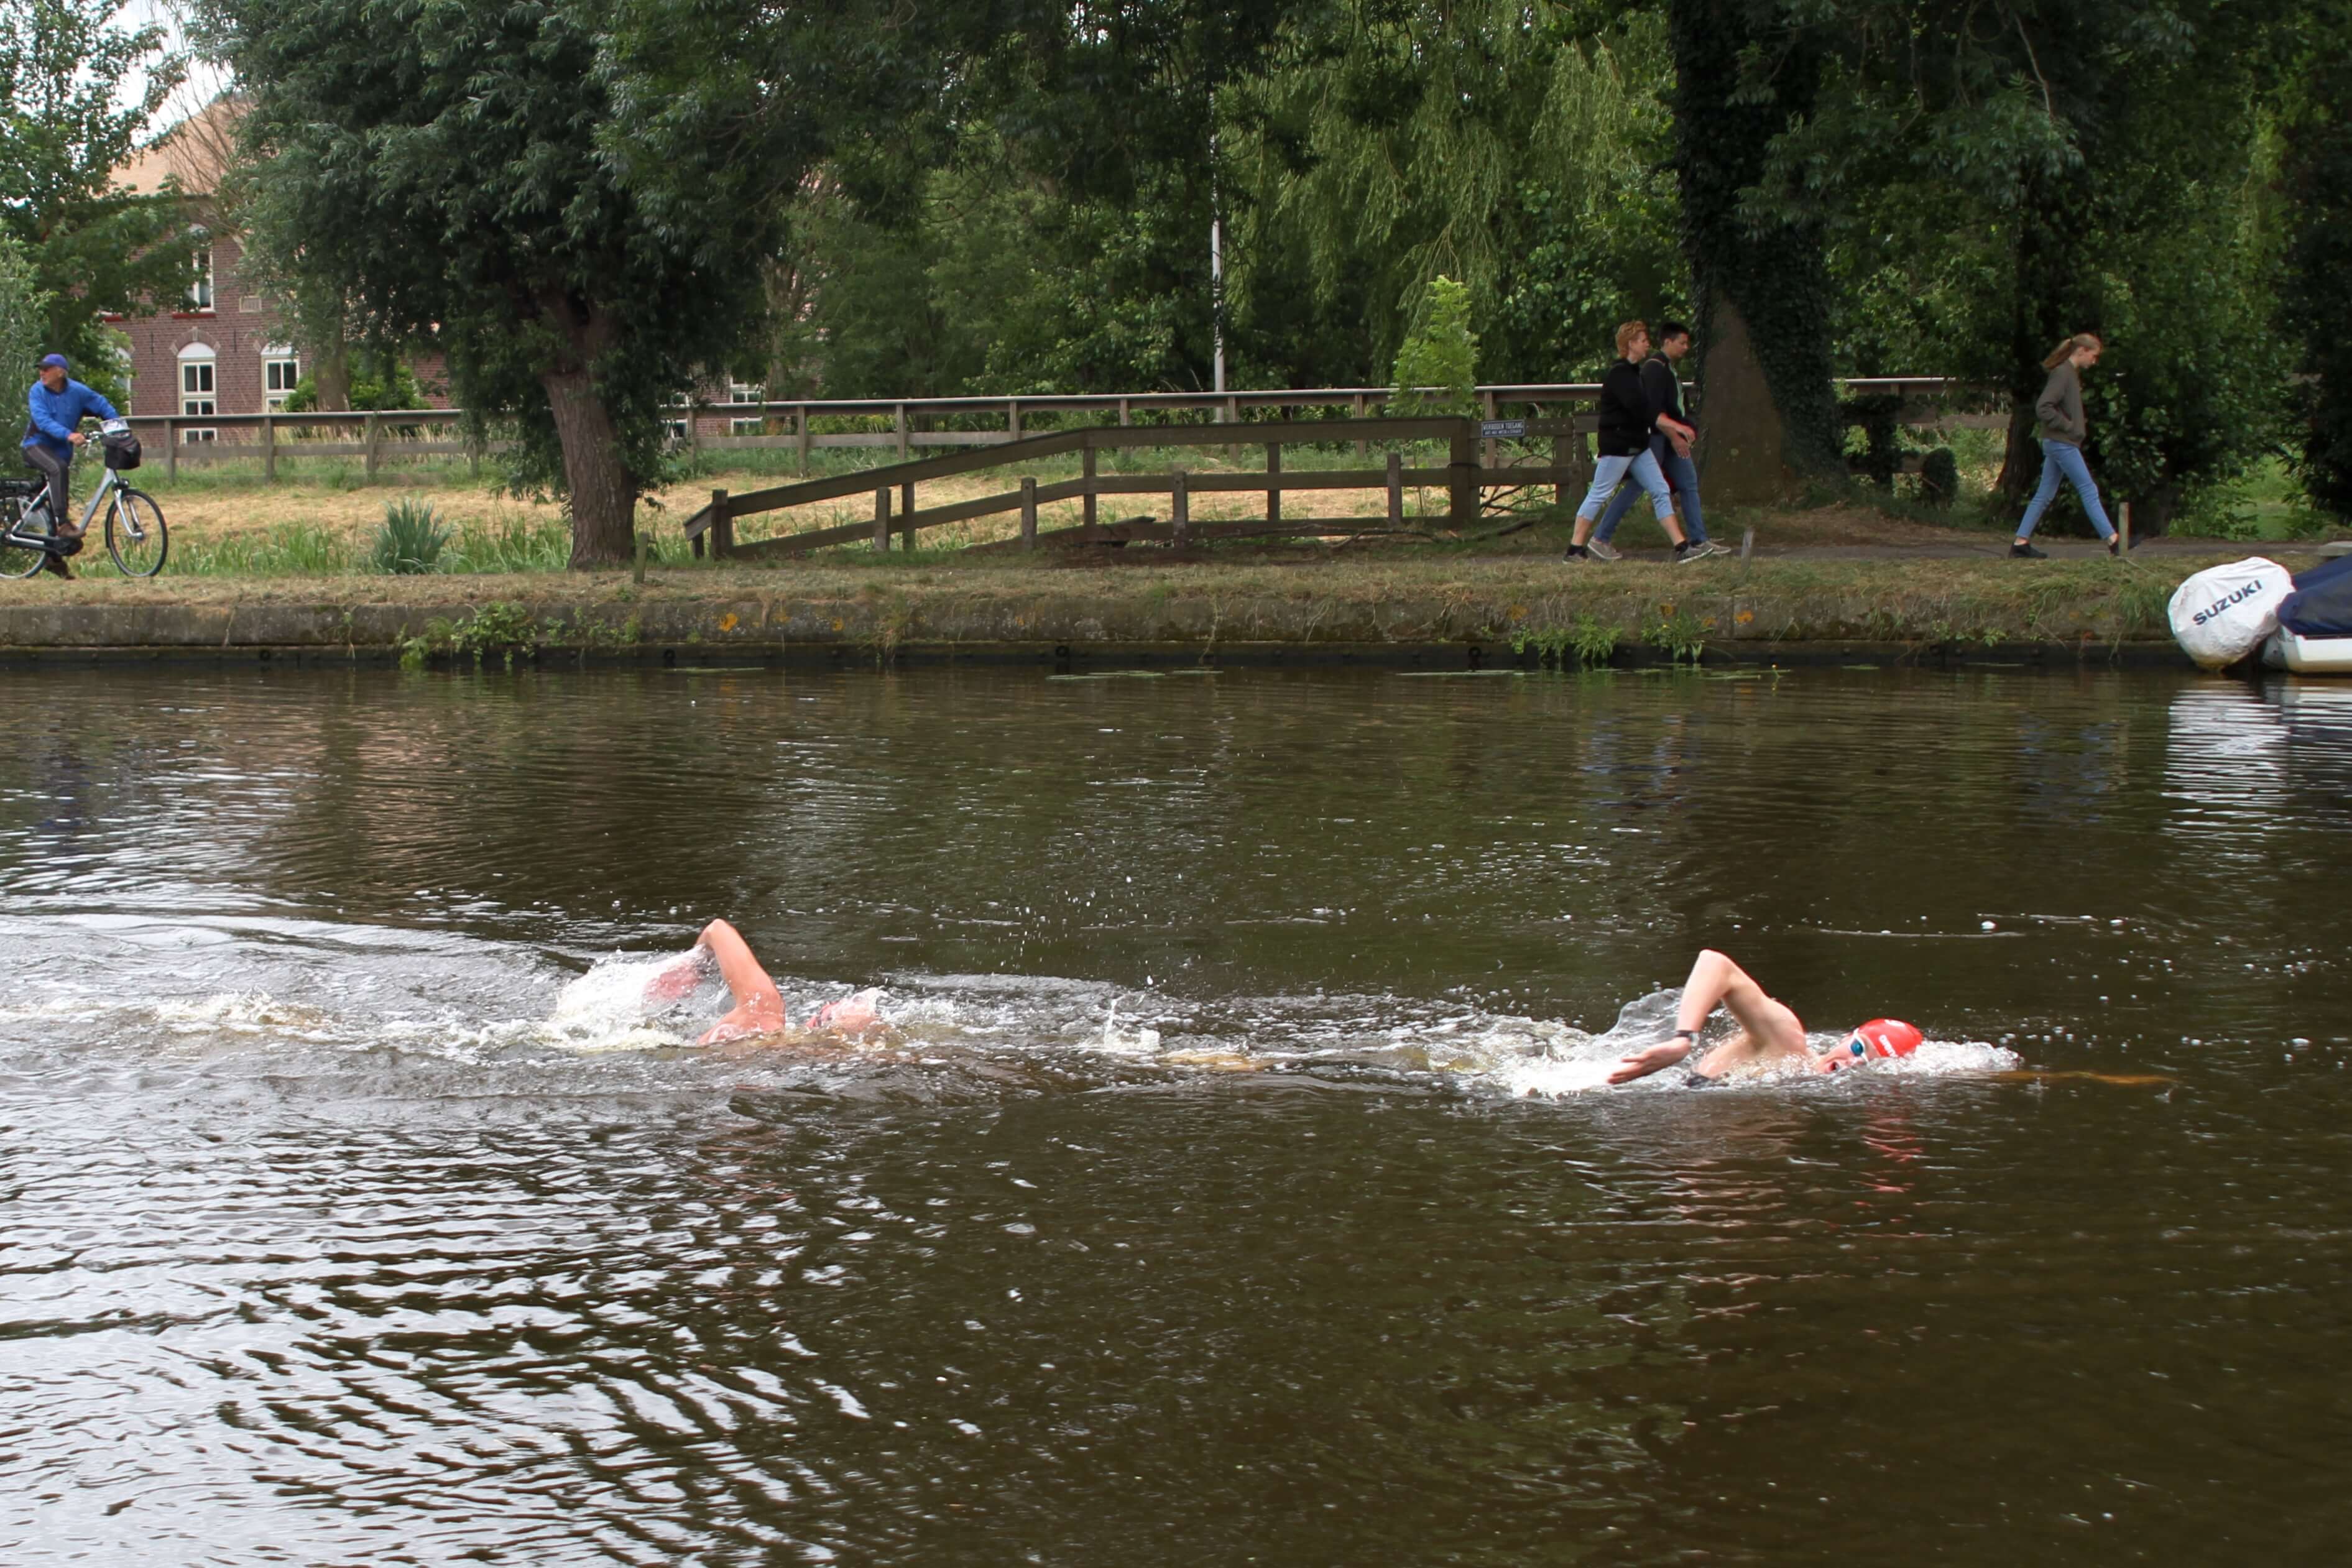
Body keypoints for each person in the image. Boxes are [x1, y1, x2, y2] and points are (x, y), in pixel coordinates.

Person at [1605, 948, 1923, 1086]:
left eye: (1870, 1064)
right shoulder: (1787, 1040)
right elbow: (1715, 963)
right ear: (1846, 1038)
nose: (1853, 1063)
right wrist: (1683, 1040)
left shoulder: (1799, 1083)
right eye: (1858, 1049)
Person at [1589, 321, 1727, 560]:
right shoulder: (1653, 369)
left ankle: (1698, 539)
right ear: (1668, 342)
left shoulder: (1668, 369)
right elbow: (1651, 411)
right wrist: (1675, 434)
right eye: (1681, 343)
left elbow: (1676, 406)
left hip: (1670, 439)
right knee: (1639, 486)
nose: (1686, 348)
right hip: (1657, 439)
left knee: (1688, 482)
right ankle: (1601, 536)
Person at [1564, 321, 1699, 563]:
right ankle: (1575, 549)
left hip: (1638, 446)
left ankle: (1682, 547)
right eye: (1642, 340)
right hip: (1619, 446)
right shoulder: (1620, 375)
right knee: (1599, 493)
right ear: (1630, 344)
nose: (1648, 343)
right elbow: (1643, 410)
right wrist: (1676, 426)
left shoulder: (1636, 373)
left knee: (1660, 490)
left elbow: (1645, 411)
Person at [645, 918, 881, 1045]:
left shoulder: (763, 1015)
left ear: (816, 1023)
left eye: (830, 1012)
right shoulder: (786, 1058)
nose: (830, 1002)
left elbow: (717, 929)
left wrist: (695, 967)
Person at [2011, 333, 2135, 560]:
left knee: (2044, 493)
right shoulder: (2063, 374)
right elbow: (2044, 407)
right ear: (2082, 351)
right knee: (2088, 489)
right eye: (2094, 356)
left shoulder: (2069, 374)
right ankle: (2113, 540)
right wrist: (2068, 426)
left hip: (2059, 442)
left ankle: (2021, 542)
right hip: (2062, 443)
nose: (2094, 361)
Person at [22, 353, 118, 557]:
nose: (42, 373)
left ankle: (53, 557)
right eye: (41, 369)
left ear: (61, 372)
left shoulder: (77, 391)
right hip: (35, 446)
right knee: (57, 468)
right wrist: (70, 435)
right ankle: (63, 523)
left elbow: (101, 404)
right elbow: (43, 422)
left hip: (61, 451)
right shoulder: (37, 391)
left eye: (47, 369)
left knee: (55, 491)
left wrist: (117, 427)